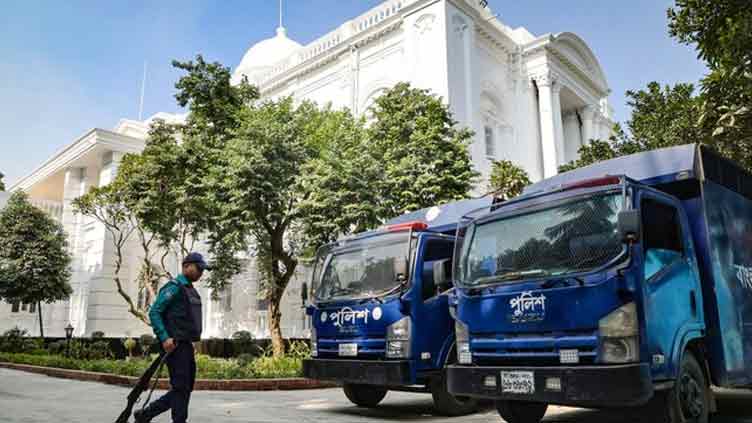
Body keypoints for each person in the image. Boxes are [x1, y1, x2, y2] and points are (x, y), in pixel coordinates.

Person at [134, 253, 211, 423]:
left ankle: (145, 414)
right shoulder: (174, 287)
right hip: (173, 345)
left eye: (202, 270)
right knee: (181, 387)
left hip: (185, 345)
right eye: (198, 268)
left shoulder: (189, 289)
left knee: (185, 387)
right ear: (186, 266)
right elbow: (154, 312)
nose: (200, 272)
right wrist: (164, 337)